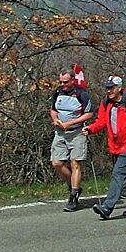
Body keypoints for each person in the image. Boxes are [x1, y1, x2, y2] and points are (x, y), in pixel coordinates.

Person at [86, 75, 126, 220]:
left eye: (111, 88)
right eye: (107, 88)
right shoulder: (106, 103)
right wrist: (91, 129)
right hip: (115, 147)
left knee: (118, 175)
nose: (109, 91)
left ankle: (107, 207)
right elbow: (101, 122)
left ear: (119, 88)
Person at [48, 69, 96, 211]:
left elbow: (89, 114)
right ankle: (74, 184)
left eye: (66, 82)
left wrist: (71, 123)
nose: (63, 85)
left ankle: (73, 196)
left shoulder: (81, 93)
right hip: (60, 133)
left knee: (75, 163)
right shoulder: (57, 92)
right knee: (57, 163)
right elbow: (53, 109)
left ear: (72, 80)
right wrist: (55, 119)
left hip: (76, 132)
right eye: (61, 82)